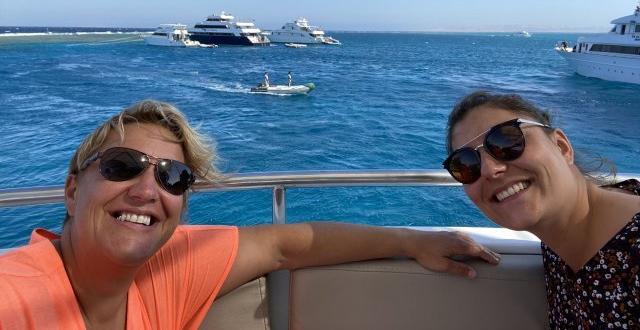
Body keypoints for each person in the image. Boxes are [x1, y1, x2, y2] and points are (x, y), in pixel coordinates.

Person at [0, 99, 499, 329]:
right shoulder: (15, 296)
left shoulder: (167, 270)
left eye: (173, 177)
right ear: (72, 191)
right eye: (122, 166)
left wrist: (412, 241)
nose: (147, 189)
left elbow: (284, 244)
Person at [442, 90, 640, 329]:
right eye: (465, 164)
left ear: (561, 147)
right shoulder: (563, 242)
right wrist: (413, 241)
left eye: (507, 141)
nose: (489, 170)